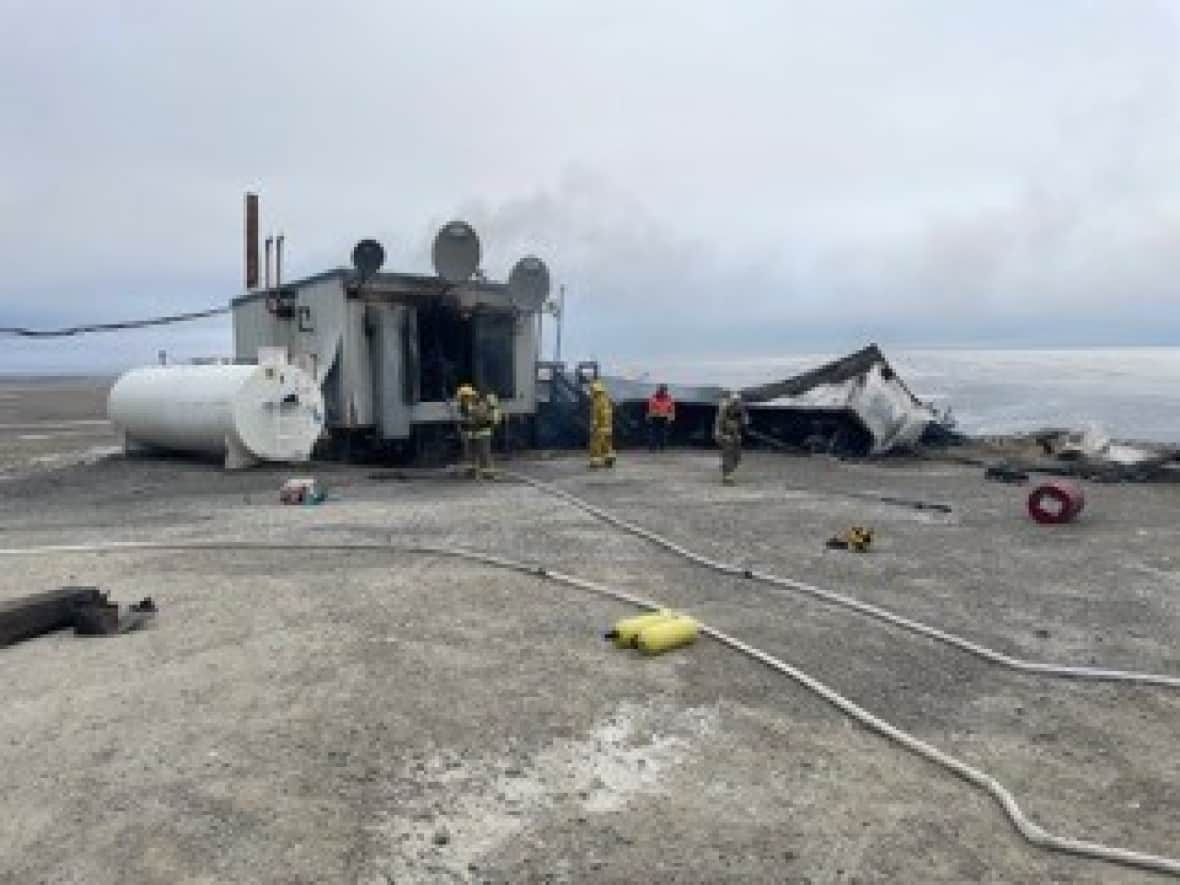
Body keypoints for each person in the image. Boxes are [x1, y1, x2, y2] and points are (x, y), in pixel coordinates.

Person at [455, 383, 500, 479]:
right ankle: (472, 472)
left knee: (484, 453)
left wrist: (472, 414)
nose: (462, 401)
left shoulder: (480, 403)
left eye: (463, 398)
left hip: (483, 431)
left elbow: (480, 417)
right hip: (473, 432)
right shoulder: (468, 404)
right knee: (470, 453)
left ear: (467, 396)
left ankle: (488, 473)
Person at [713, 390, 748, 485]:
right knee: (728, 456)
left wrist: (741, 431)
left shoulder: (740, 408)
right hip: (725, 435)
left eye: (737, 401)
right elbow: (718, 425)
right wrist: (723, 436)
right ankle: (727, 477)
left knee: (737, 457)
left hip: (735, 434)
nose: (736, 403)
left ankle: (727, 470)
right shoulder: (723, 410)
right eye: (734, 401)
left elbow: (743, 422)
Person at [588, 379, 617, 468]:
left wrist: (593, 426)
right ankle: (609, 459)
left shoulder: (597, 401)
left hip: (599, 428)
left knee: (596, 445)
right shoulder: (607, 400)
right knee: (607, 445)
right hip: (608, 427)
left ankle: (595, 462)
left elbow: (595, 415)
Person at [646, 384, 676, 451]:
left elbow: (671, 409)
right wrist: (651, 416)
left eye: (664, 389)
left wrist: (670, 419)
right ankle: (652, 447)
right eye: (661, 389)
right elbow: (650, 408)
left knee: (663, 433)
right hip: (655, 417)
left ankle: (662, 447)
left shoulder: (669, 398)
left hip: (664, 417)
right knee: (654, 433)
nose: (663, 391)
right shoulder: (654, 397)